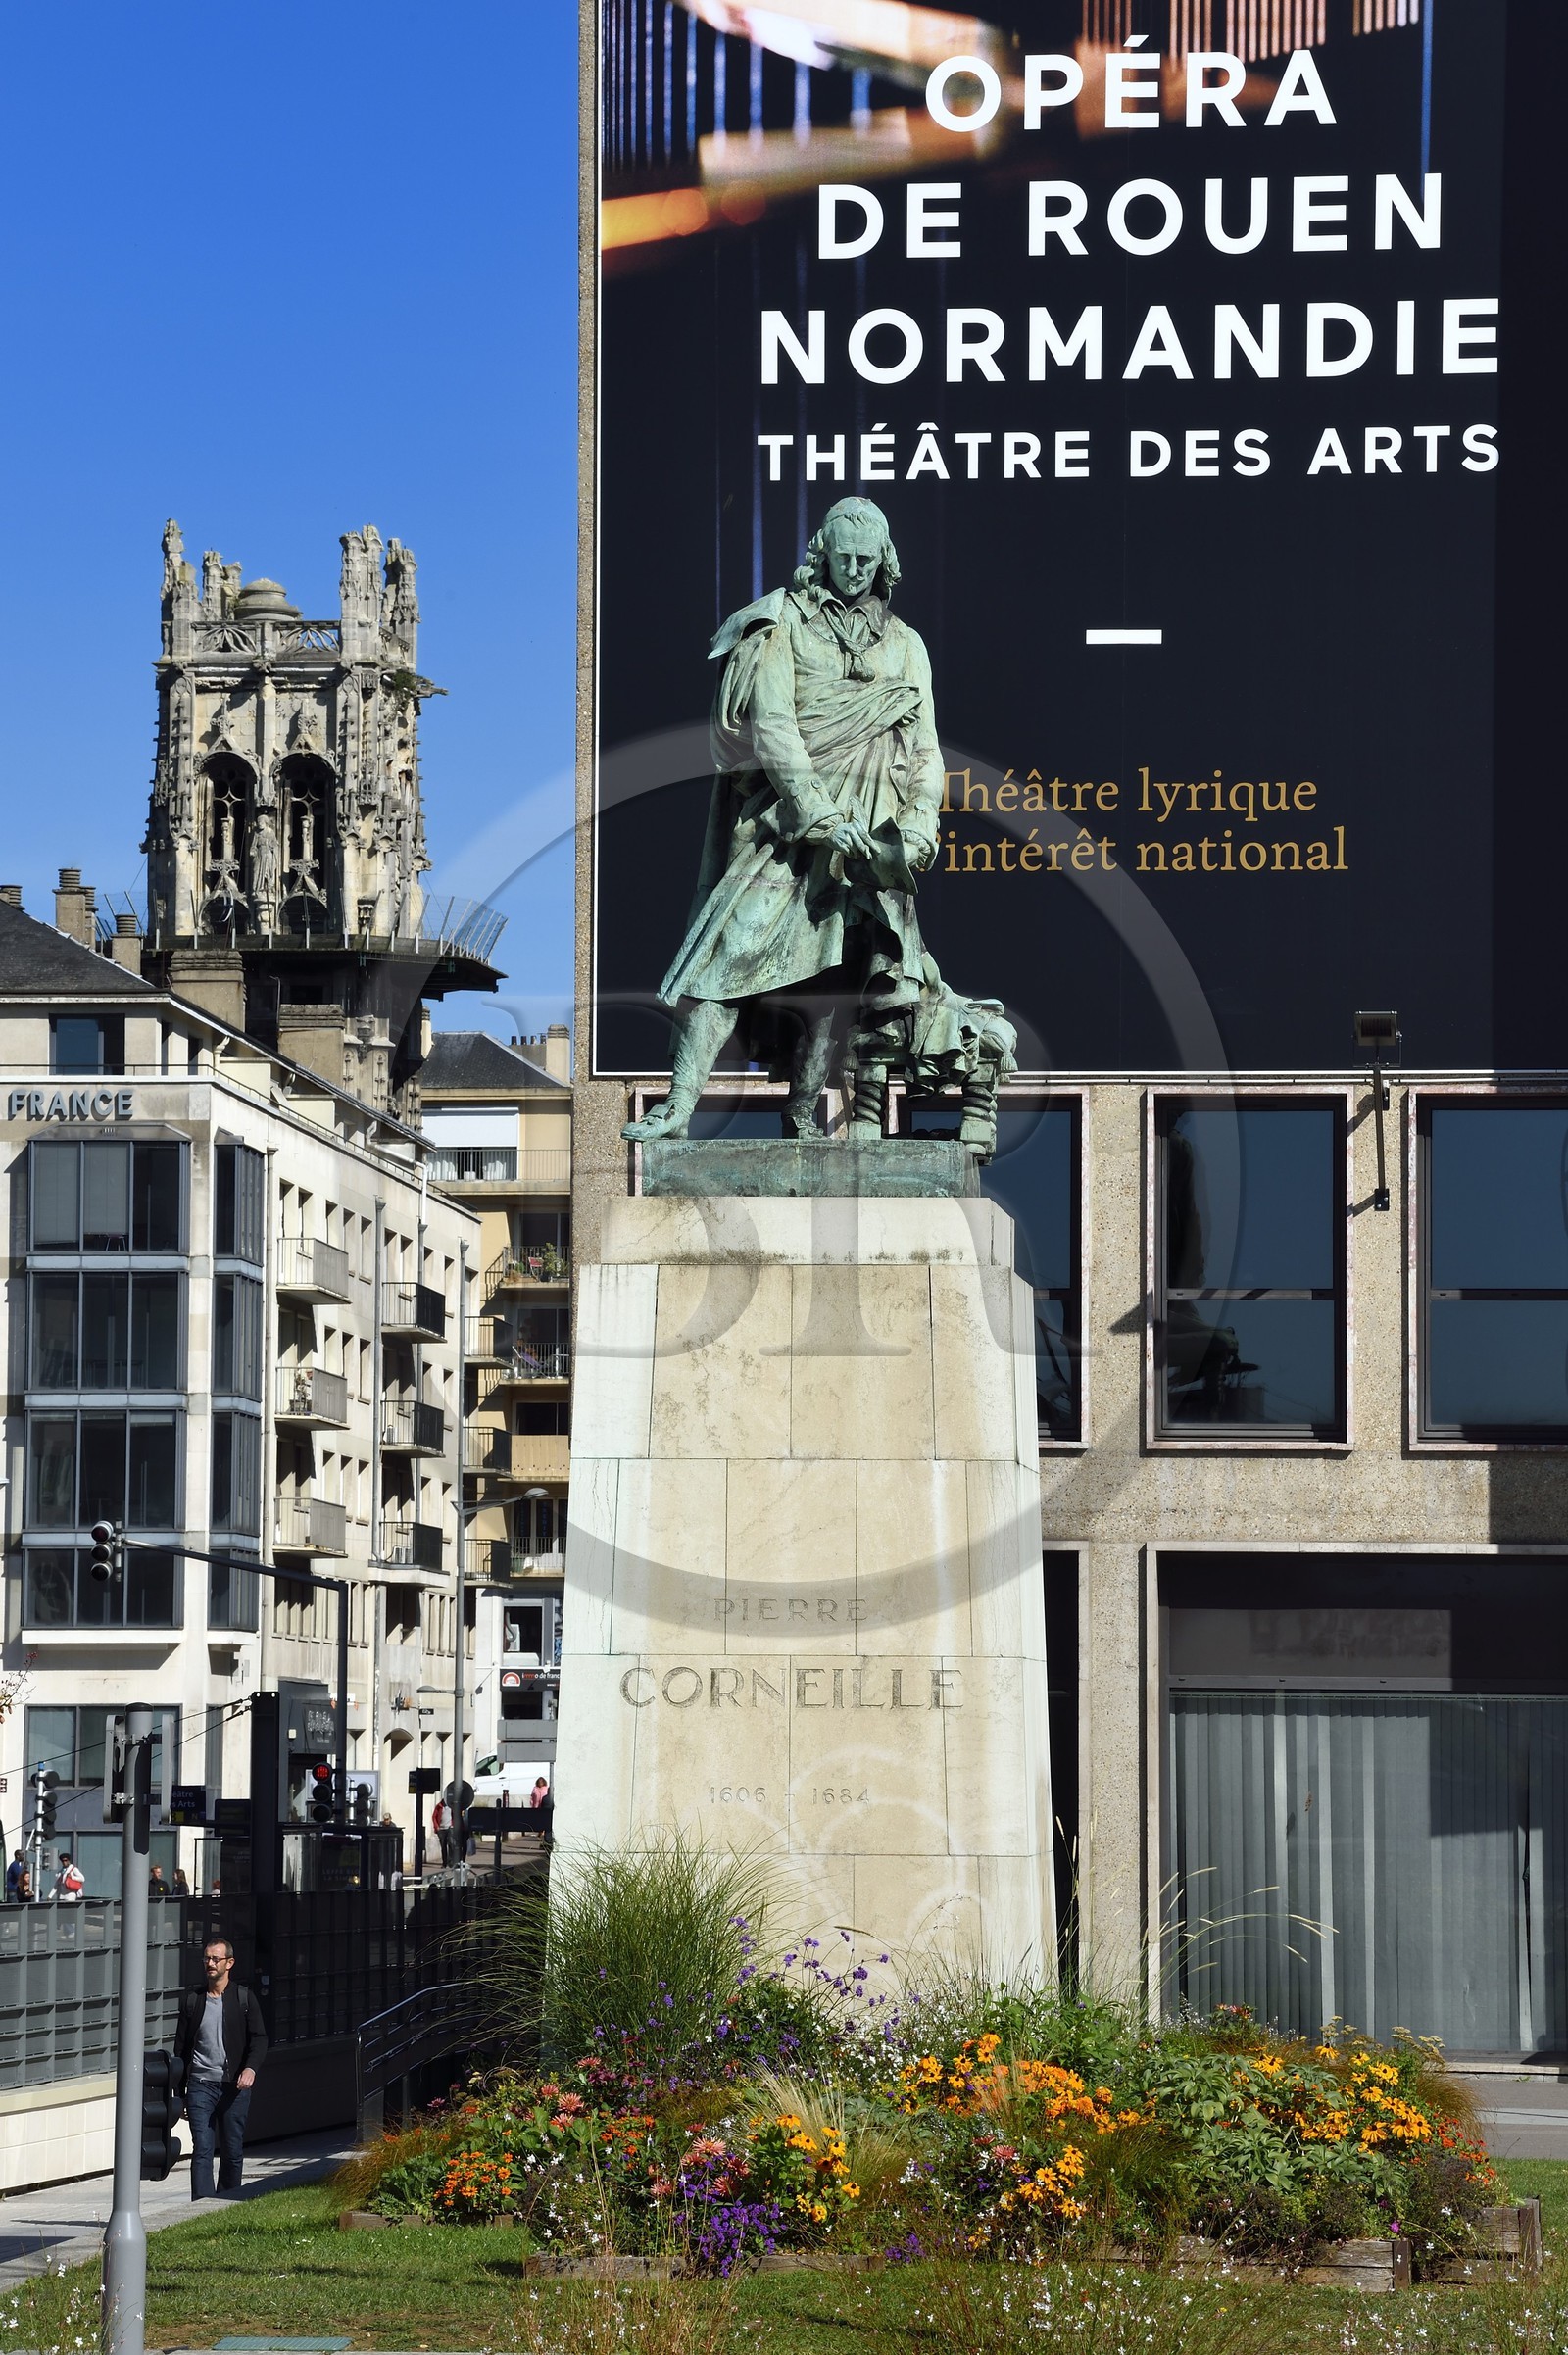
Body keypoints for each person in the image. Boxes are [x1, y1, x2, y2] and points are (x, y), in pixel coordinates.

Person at [623, 496, 945, 1146]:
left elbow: (927, 750)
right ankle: (681, 1104)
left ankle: (803, 1114)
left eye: (867, 558)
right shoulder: (782, 625)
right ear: (821, 553)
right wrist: (821, 816)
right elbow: (772, 729)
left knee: (842, 971)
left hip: (874, 828)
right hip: (788, 824)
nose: (854, 571)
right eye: (843, 557)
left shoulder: (908, 646)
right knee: (726, 950)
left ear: (885, 560)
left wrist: (919, 825)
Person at [174, 1937, 268, 2200]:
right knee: (202, 2148)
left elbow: (259, 2039)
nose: (210, 1963)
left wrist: (250, 2069)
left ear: (230, 1963)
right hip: (200, 2085)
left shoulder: (243, 1998)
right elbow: (180, 2049)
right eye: (207, 1958)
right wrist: (179, 2093)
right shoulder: (193, 2001)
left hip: (234, 2087)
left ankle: (227, 2200)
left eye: (216, 1959)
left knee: (232, 2150)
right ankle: (202, 2205)